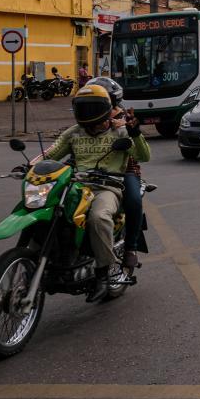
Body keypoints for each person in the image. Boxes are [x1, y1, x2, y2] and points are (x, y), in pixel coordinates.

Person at [40, 84, 150, 302]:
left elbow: (144, 155)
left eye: (93, 108)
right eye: (83, 108)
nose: (88, 113)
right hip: (77, 186)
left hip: (107, 186)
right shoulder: (73, 133)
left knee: (98, 217)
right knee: (51, 211)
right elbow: (50, 154)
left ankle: (104, 272)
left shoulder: (120, 130)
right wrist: (30, 166)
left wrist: (135, 132)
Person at [87, 76, 146, 270]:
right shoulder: (87, 117)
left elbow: (141, 151)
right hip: (89, 169)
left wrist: (129, 128)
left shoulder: (123, 119)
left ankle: (130, 248)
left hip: (123, 171)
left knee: (134, 200)